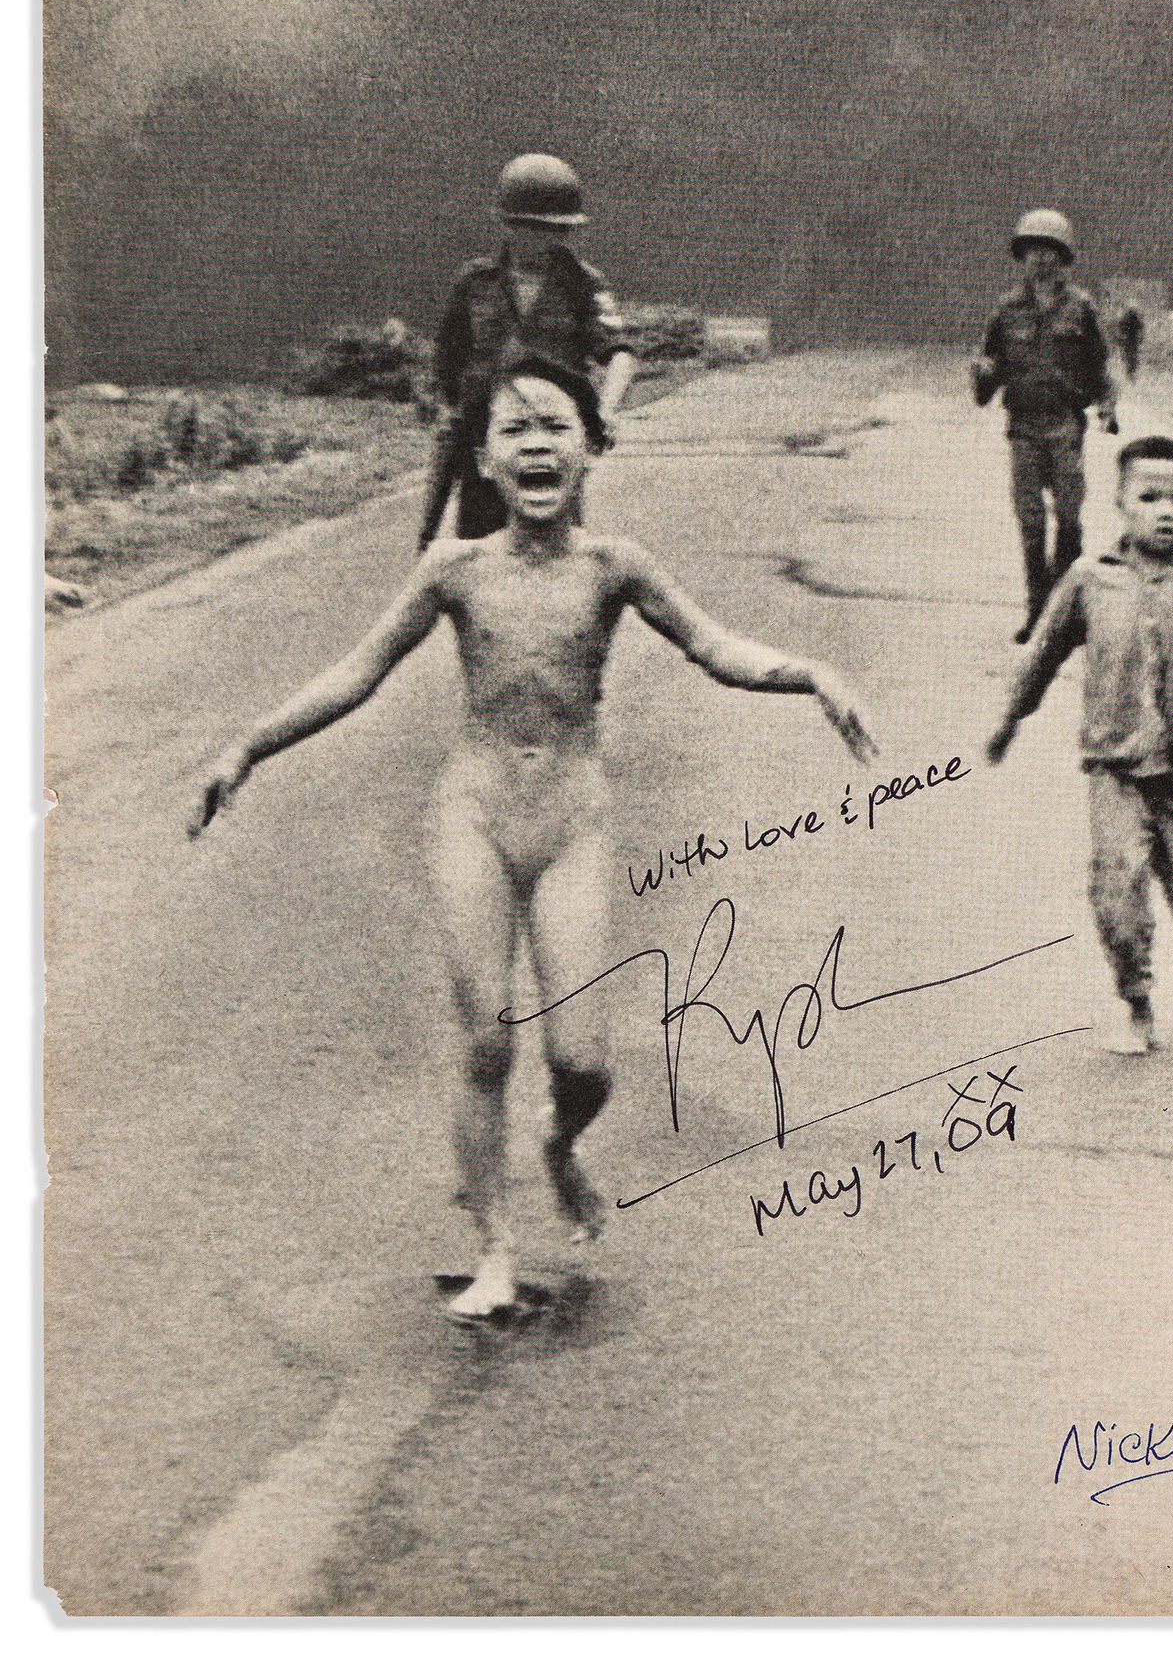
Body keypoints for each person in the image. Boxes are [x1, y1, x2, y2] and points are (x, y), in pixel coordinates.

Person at [192, 353, 875, 1321]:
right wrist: (245, 749)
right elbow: (356, 672)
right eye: (515, 430)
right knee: (484, 1042)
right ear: (485, 460)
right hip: (472, 814)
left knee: (582, 1058)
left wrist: (809, 673)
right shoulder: (454, 571)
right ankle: (494, 1247)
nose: (537, 443)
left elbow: (716, 645)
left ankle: (558, 1147)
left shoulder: (616, 565)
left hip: (571, 824)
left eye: (557, 425)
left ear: (591, 449)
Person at [985, 434, 1173, 1055]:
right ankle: (1137, 1001)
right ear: (1120, 502)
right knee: (1118, 888)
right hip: (1112, 764)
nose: (1167, 510)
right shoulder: (1089, 581)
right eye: (1150, 497)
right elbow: (1040, 655)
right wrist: (1010, 719)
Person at [417, 153, 637, 550]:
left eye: (556, 230)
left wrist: (606, 410)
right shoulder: (474, 283)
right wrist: (450, 412)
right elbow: (447, 361)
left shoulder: (584, 284)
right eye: (530, 227)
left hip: (553, 438)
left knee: (555, 547)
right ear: (508, 224)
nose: (543, 239)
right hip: (488, 438)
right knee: (476, 552)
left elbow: (619, 353)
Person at [971, 208, 1119, 643]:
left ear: (1063, 256)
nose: (1041, 258)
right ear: (1022, 255)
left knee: (1070, 520)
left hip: (1065, 427)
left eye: (1050, 250)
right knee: (1031, 523)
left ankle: (1065, 608)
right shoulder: (1007, 309)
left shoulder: (1081, 307)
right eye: (1033, 249)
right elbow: (989, 366)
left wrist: (1107, 406)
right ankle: (1038, 610)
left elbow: (1101, 365)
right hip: (1023, 429)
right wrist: (981, 373)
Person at [1116, 304, 1144, 382]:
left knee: (1129, 357)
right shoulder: (1134, 319)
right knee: (1132, 356)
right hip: (1132, 341)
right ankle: (1131, 372)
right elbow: (1140, 330)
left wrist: (1120, 339)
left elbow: (1120, 329)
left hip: (1128, 341)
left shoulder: (1125, 319)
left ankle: (1130, 372)